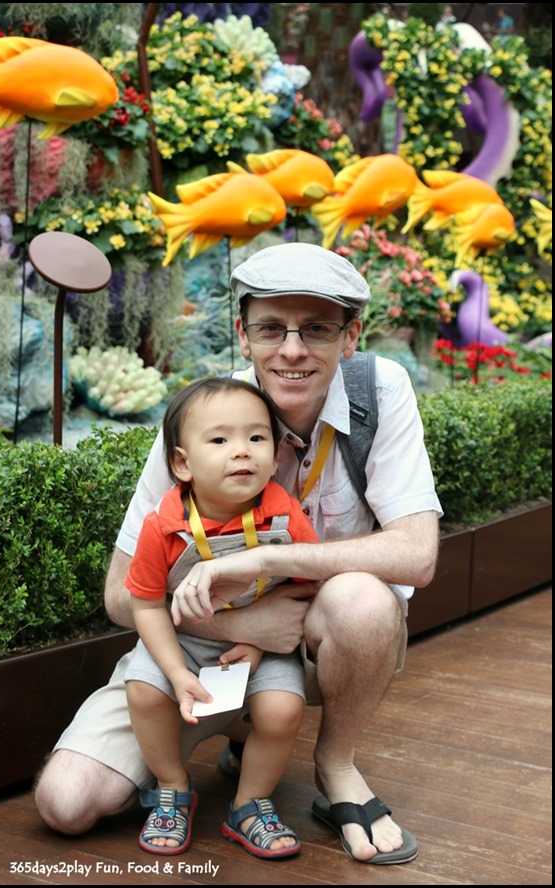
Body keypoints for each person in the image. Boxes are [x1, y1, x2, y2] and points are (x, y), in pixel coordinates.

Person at [35, 241, 443, 866]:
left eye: (317, 329)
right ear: (242, 334)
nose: (293, 349)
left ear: (351, 335)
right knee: (67, 803)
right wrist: (236, 624)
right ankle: (221, 743)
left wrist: (266, 563)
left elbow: (416, 556)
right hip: (189, 651)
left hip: (305, 650)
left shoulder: (380, 394)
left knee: (363, 599)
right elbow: (123, 595)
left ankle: (335, 767)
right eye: (271, 328)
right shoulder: (200, 420)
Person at [125, 376, 319, 858]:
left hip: (263, 643)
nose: (242, 452)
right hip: (183, 641)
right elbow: (146, 604)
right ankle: (172, 786)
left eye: (256, 438)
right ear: (181, 463)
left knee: (282, 710)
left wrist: (258, 642)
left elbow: (311, 579)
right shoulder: (162, 526)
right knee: (144, 691)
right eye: (219, 439)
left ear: (276, 456)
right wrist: (173, 671)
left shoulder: (284, 515)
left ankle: (249, 803)